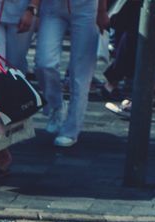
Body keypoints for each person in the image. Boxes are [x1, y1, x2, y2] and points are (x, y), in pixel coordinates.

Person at [35, 0, 110, 148]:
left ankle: (71, 129)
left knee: (80, 73)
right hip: (52, 7)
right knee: (44, 62)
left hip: (86, 7)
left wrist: (102, 10)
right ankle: (56, 105)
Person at [0, 0, 39, 179]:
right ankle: (2, 152)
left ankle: (16, 130)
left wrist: (31, 8)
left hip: (21, 12)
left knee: (15, 72)